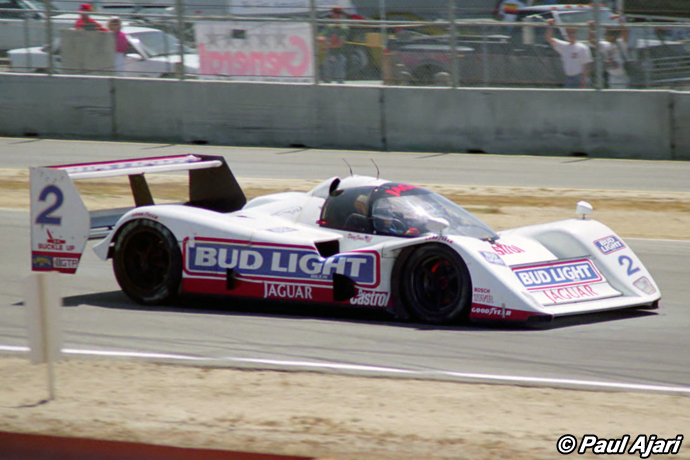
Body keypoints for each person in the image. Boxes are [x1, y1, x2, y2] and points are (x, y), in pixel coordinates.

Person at [545, 18, 592, 89]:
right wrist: (550, 26)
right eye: (569, 33)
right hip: (568, 78)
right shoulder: (564, 46)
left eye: (573, 33)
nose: (571, 35)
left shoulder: (582, 47)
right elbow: (549, 39)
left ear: (576, 34)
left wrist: (583, 80)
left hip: (578, 77)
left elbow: (586, 66)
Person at [588, 16, 630, 89]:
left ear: (613, 36)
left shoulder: (620, 43)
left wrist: (621, 20)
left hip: (622, 75)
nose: (606, 36)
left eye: (608, 34)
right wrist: (591, 28)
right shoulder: (605, 45)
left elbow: (625, 32)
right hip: (612, 76)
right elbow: (592, 41)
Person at [319, 6, 349, 83]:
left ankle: (340, 86)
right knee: (327, 76)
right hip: (329, 53)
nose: (337, 15)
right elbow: (321, 38)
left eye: (338, 13)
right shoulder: (329, 26)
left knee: (339, 76)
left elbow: (339, 44)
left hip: (339, 53)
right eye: (335, 13)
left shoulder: (343, 27)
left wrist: (329, 42)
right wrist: (328, 41)